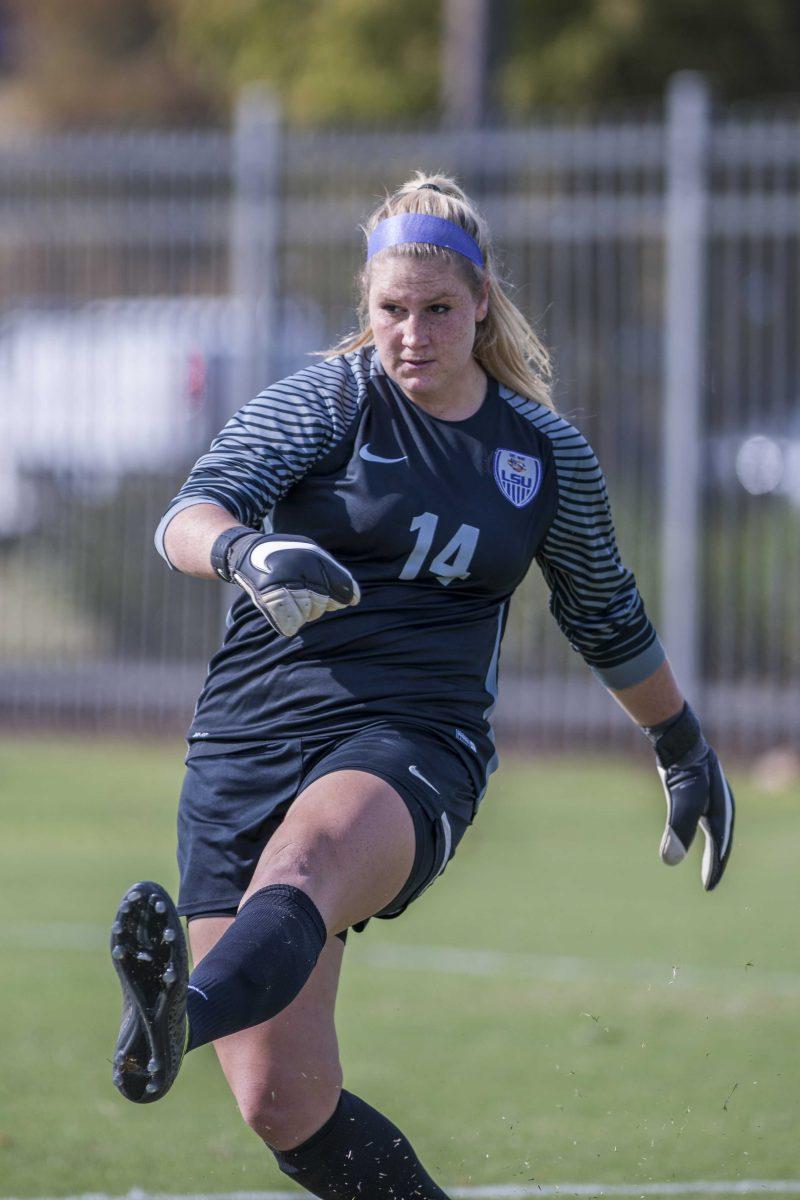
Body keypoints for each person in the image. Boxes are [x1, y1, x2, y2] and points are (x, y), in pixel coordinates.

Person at [109, 172, 734, 1200]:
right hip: (247, 738)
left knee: (305, 863)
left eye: (437, 310)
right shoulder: (325, 401)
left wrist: (680, 746)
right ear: (366, 303)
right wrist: (247, 555)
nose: (411, 334)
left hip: (411, 741)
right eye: (390, 310)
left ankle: (177, 1014)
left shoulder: (540, 456)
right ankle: (187, 1013)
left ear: (481, 303)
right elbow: (189, 514)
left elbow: (605, 615)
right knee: (283, 1102)